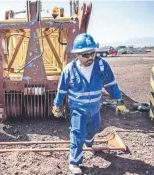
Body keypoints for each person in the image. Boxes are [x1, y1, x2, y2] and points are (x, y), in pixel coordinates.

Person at [52, 33, 127, 174]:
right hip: (77, 110)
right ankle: (74, 162)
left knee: (93, 130)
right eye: (86, 55)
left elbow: (111, 84)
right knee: (77, 134)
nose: (91, 57)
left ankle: (89, 142)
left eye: (93, 53)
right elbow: (61, 90)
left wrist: (119, 100)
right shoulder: (69, 70)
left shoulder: (102, 66)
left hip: (95, 109)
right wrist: (57, 105)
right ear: (78, 54)